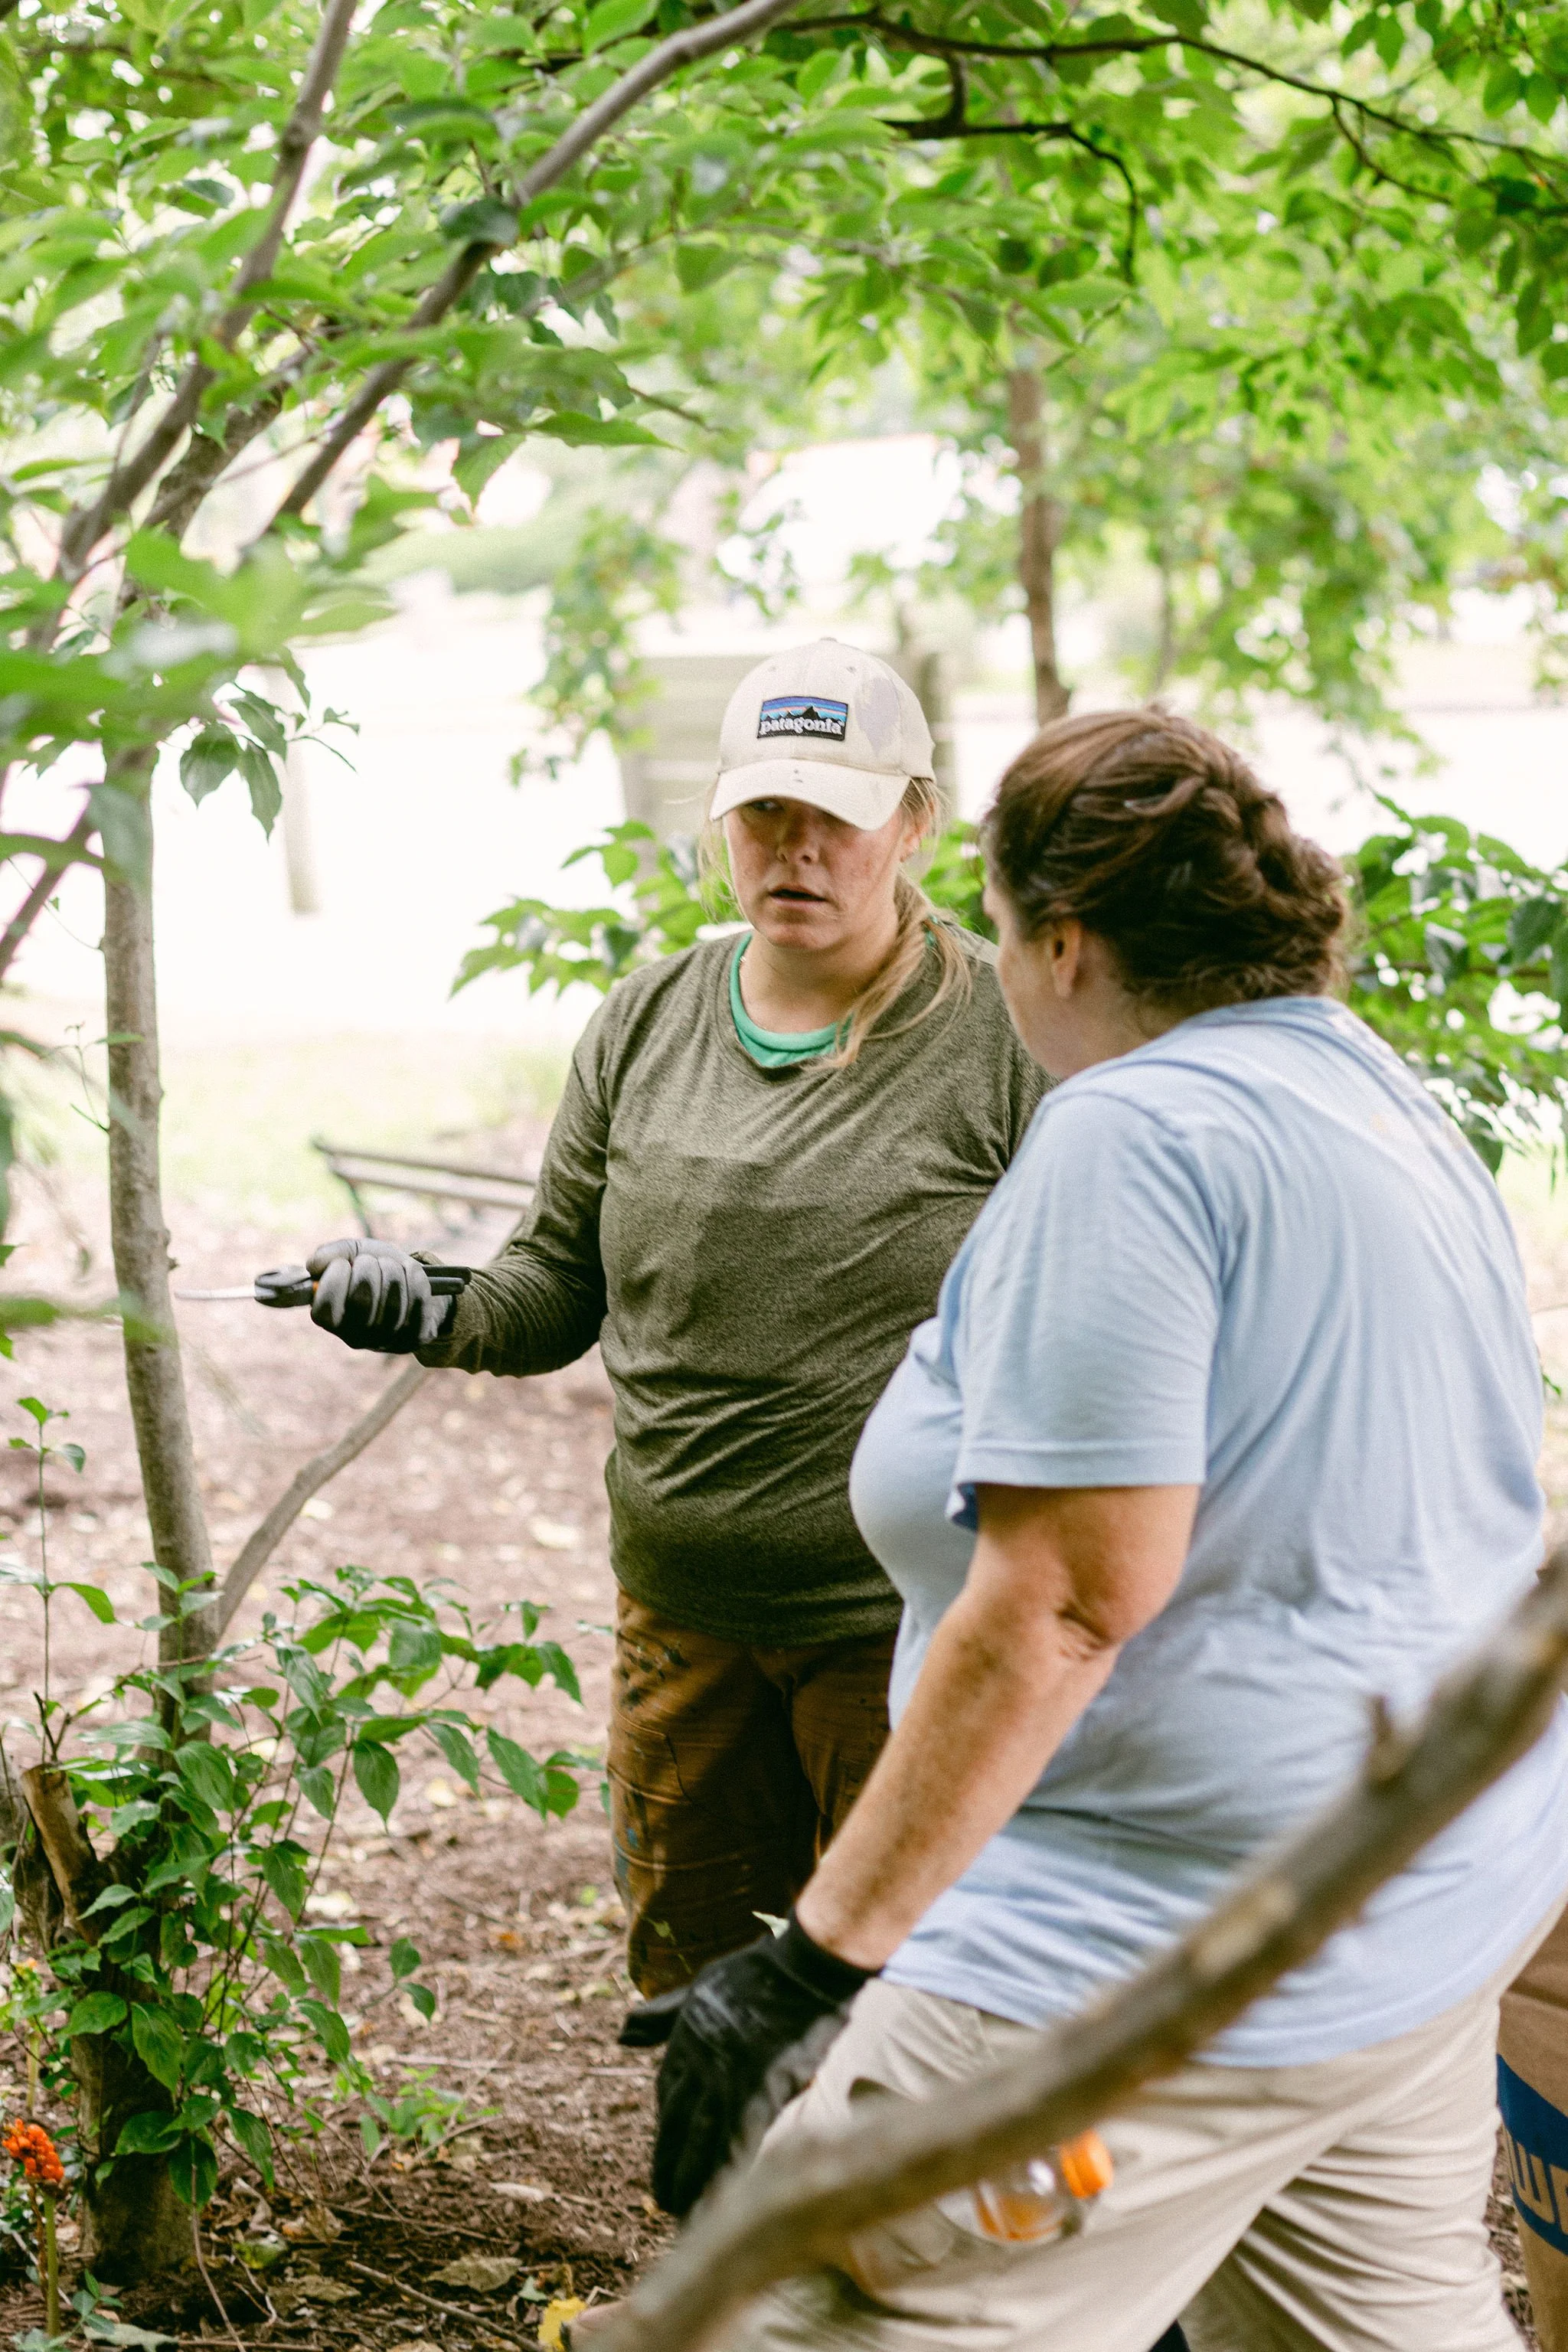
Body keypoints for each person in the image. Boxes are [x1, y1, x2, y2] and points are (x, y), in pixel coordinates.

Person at [646, 707, 1568, 2352]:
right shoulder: (1376, 1098)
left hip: (1132, 1950)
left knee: (801, 2313)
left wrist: (807, 1968)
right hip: (1404, 1911)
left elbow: (1066, 1599)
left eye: (999, 940)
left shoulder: (1131, 1136)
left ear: (1061, 941)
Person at [302, 640, 1047, 1997]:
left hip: (902, 1632)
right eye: (764, 811)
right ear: (721, 822)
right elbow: (548, 1294)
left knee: (905, 1999)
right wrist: (417, 1303)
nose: (796, 848)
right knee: (691, 1999)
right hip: (679, 1616)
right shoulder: (646, 1022)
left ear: (917, 820)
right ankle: (722, 2221)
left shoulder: (1003, 1034)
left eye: (835, 814)